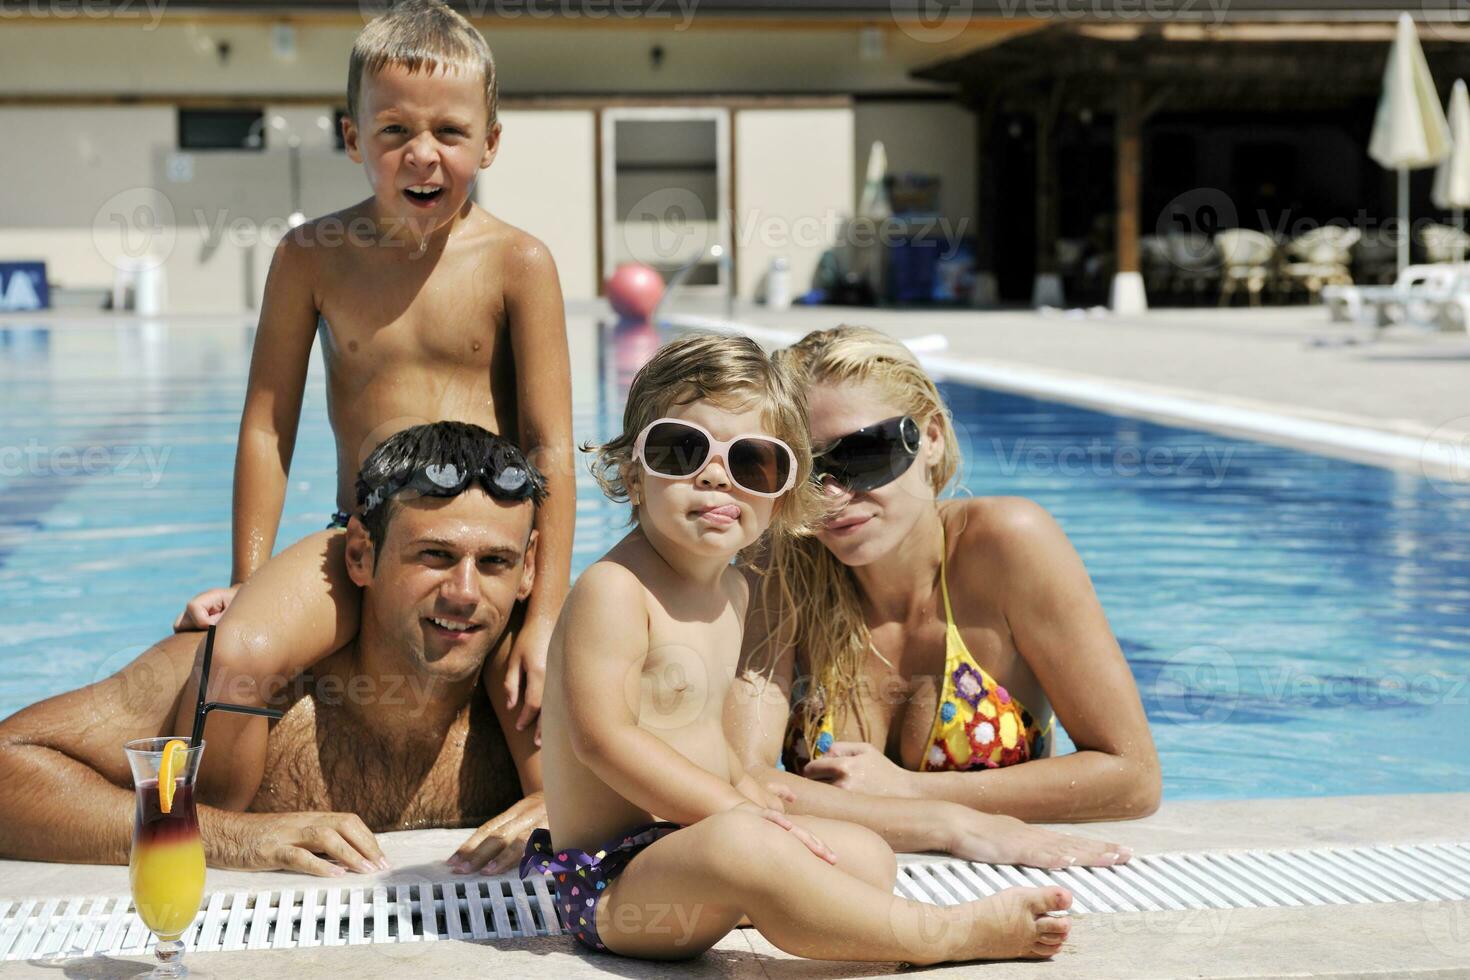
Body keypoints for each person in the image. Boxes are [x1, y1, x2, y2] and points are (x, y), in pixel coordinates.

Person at [521, 334, 1074, 965]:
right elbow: (604, 741)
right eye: (681, 450)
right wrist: (734, 810)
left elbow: (702, 733)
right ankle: (942, 935)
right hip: (612, 884)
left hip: (692, 851)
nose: (715, 475)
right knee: (746, 845)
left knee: (866, 854)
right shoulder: (613, 590)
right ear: (631, 472)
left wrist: (753, 796)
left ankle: (786, 898)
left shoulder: (730, 590)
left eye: (753, 462)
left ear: (785, 493)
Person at [175, 0, 573, 740]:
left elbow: (550, 447)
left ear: (488, 143)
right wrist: (246, 577)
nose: (423, 153)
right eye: (395, 131)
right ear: (355, 137)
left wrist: (542, 615)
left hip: (483, 551)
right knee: (236, 661)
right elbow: (268, 426)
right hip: (361, 538)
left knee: (540, 715)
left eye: (450, 132)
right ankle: (234, 836)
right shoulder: (312, 258)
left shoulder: (519, 264)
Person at [0, 423, 545, 877]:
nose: (465, 594)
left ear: (529, 570)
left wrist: (580, 816)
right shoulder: (244, 683)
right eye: (434, 555)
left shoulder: (536, 701)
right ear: (359, 555)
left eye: (495, 562)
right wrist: (225, 836)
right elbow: (9, 766)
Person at [730, 325, 1160, 832]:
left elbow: (1133, 778)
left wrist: (912, 790)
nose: (831, 495)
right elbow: (742, 779)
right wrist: (947, 826)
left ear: (930, 438)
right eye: (804, 470)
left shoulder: (1007, 546)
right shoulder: (778, 567)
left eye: (863, 455)